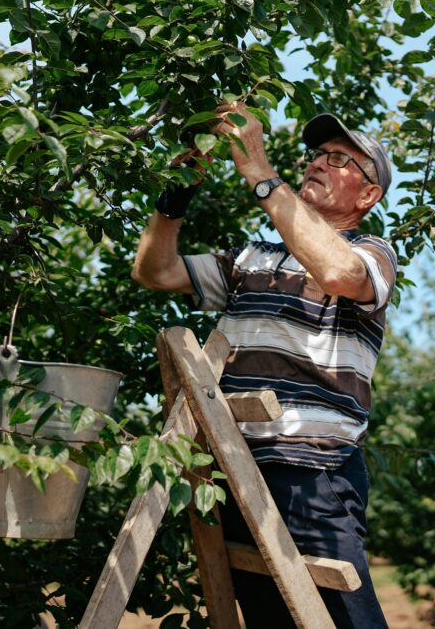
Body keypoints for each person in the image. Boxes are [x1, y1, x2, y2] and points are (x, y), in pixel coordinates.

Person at [131, 102, 396, 628]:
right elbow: (154, 271)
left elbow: (340, 273)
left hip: (311, 471)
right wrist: (174, 197)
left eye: (340, 160)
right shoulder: (249, 259)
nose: (319, 163)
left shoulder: (371, 252)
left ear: (368, 195)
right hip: (233, 467)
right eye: (318, 154)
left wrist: (260, 173)